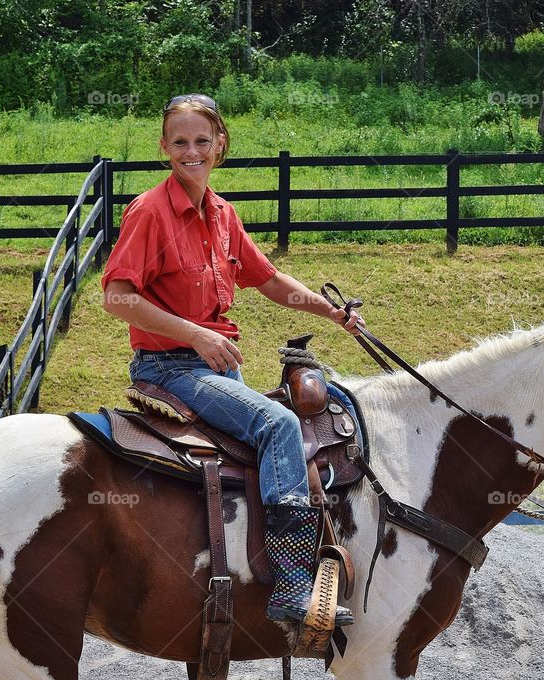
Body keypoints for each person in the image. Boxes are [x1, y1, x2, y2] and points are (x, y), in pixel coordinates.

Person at [101, 93, 361, 627]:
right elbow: (118, 298)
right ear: (163, 147)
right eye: (179, 142)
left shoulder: (222, 215)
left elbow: (267, 279)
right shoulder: (151, 212)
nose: (190, 151)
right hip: (171, 367)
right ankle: (292, 582)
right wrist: (196, 334)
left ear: (220, 145)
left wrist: (331, 312)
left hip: (216, 368)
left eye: (201, 141)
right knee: (277, 422)